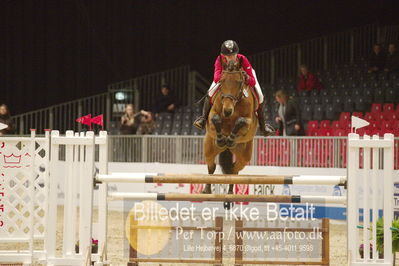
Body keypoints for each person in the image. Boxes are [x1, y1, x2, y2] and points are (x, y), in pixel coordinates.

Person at [193, 40, 273, 136]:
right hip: (226, 80)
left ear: (237, 53)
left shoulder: (242, 59)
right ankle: (203, 119)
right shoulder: (219, 60)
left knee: (260, 95)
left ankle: (263, 126)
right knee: (210, 92)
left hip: (242, 80)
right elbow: (216, 77)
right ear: (224, 55)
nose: (231, 58)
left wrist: (246, 77)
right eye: (228, 56)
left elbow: (252, 81)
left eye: (233, 55)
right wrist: (226, 76)